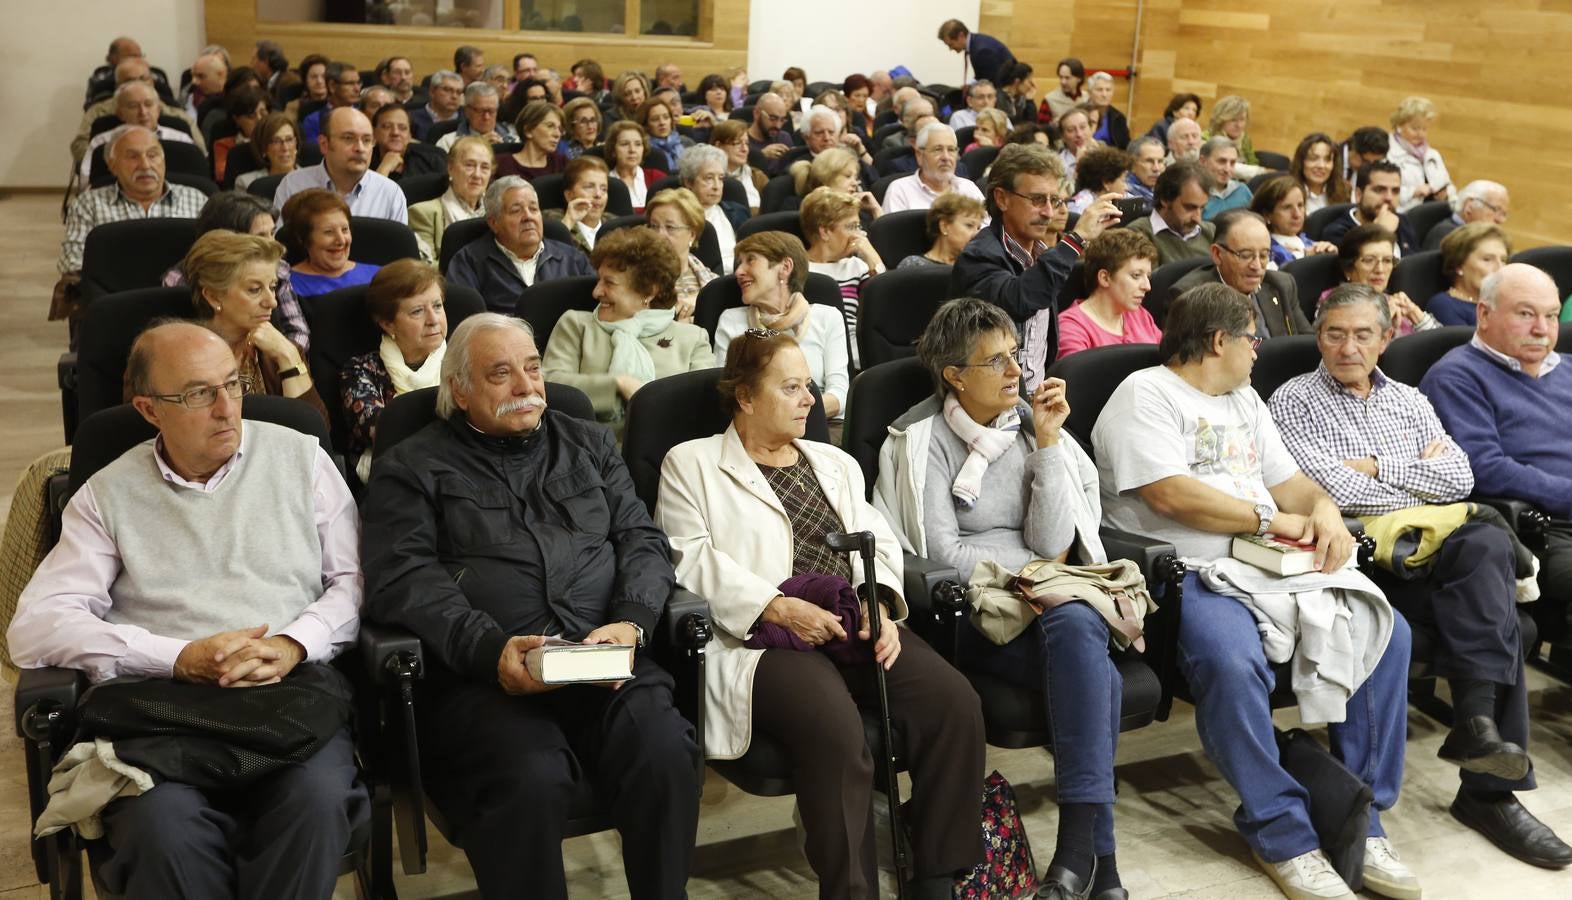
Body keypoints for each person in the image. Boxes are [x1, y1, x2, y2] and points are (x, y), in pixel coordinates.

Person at [8, 319, 365, 899]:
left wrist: (294, 642)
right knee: (161, 831)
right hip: (162, 711)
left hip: (290, 697)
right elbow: (36, 626)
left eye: (234, 384)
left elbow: (353, 583)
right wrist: (176, 657)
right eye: (200, 394)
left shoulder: (302, 459)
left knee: (315, 807)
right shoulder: (108, 494)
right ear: (150, 410)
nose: (227, 409)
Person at [362, 313, 702, 899]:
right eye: (501, 373)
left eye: (533, 367)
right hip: (486, 682)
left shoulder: (590, 442)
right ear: (459, 390)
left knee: (666, 751)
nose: (526, 386)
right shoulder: (412, 466)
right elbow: (405, 579)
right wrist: (490, 651)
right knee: (532, 778)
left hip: (603, 661)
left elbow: (642, 541)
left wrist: (632, 621)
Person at [1092, 283, 1414, 900]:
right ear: (1219, 340)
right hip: (1193, 571)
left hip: (1278, 562)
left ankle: (1361, 815)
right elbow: (1170, 494)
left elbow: (1290, 482)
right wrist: (1269, 520)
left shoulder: (1244, 398)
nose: (1258, 350)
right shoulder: (1146, 395)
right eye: (1250, 338)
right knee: (1230, 660)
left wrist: (1321, 510)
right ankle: (1281, 829)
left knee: (1388, 631)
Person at [656, 328, 985, 900]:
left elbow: (878, 541)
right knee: (837, 732)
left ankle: (935, 879)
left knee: (955, 704)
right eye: (791, 387)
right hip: (763, 637)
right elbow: (688, 561)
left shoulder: (834, 462)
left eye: (808, 386)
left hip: (848, 620)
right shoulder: (693, 464)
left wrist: (878, 600)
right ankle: (852, 891)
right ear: (745, 396)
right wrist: (777, 605)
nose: (811, 399)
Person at [1268, 282, 1572, 874]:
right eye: (1334, 333)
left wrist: (1378, 467)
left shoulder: (1408, 398)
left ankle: (1482, 746)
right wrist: (1412, 474)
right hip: (1356, 554)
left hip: (1431, 548)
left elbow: (1459, 476)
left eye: (1362, 334)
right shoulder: (1292, 400)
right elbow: (1330, 489)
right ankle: (1487, 786)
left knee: (1483, 541)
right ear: (1318, 337)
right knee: (1492, 598)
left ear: (1387, 338)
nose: (1348, 347)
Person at [875, 296, 1138, 898]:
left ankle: (1079, 858)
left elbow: (1055, 538)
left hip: (1054, 609)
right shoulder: (921, 443)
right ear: (955, 375)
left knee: (1075, 631)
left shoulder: (1029, 427)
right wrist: (1036, 573)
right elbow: (941, 553)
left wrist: (1047, 444)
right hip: (980, 616)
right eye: (995, 361)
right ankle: (1100, 865)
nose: (1015, 371)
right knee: (1098, 673)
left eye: (1015, 355)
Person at [1421, 265, 1572, 699]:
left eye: (1552, 315)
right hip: (1540, 529)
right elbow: (1485, 468)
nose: (1542, 329)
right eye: (1526, 314)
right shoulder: (1457, 377)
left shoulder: (1567, 371)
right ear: (1484, 314)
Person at [951, 143, 1119, 390]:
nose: (1049, 212)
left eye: (1055, 200)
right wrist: (1076, 240)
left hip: (1033, 399)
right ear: (1002, 198)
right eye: (1038, 199)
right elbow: (1019, 301)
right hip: (984, 402)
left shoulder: (1043, 256)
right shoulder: (978, 257)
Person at [542, 228, 711, 434]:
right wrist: (617, 384)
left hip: (665, 453)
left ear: (648, 291)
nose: (596, 292)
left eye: (609, 283)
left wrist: (649, 402)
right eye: (599, 280)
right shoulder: (576, 325)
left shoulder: (692, 338)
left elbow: (703, 404)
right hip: (586, 448)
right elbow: (550, 385)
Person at [182, 231, 329, 421]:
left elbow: (317, 433)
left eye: (273, 287)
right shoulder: (177, 357)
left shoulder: (279, 349)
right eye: (254, 290)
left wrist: (289, 357)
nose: (272, 302)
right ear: (213, 296)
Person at [714, 232, 849, 420]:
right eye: (739, 263)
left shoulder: (827, 317)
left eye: (750, 260)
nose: (738, 272)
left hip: (821, 426)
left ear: (785, 267)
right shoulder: (731, 320)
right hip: (756, 433)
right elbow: (727, 395)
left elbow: (840, 395)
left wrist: (791, 414)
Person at [339, 259, 447, 481]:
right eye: (417, 311)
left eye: (437, 306)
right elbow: (385, 433)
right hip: (393, 480)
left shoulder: (466, 360)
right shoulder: (361, 371)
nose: (434, 320)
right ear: (388, 324)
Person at [161, 191, 309, 352]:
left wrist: (283, 358)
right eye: (260, 236)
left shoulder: (277, 267)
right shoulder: (178, 280)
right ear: (226, 240)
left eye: (272, 233)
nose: (271, 243)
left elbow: (298, 332)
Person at [57, 126, 206, 278]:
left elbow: (217, 257)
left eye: (153, 155)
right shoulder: (88, 205)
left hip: (182, 296)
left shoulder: (197, 200)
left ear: (164, 161)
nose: (145, 165)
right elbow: (72, 262)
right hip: (113, 296)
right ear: (112, 166)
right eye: (133, 157)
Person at [446, 177, 593, 312]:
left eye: (534, 209)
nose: (528, 217)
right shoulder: (468, 262)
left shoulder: (573, 259)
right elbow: (465, 323)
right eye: (516, 211)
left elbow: (594, 309)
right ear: (494, 223)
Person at [1173, 209, 1312, 338]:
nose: (1257, 266)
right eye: (1245, 255)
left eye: (1264, 255)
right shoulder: (1190, 298)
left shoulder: (1281, 285)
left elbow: (1307, 344)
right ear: (1217, 254)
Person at [273, 107, 408, 224]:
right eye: (348, 138)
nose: (360, 148)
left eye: (367, 140)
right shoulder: (293, 185)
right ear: (324, 144)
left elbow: (398, 252)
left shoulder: (390, 193)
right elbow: (281, 248)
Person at [802, 187, 885, 362]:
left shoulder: (857, 267)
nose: (859, 234)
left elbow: (886, 309)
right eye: (851, 226)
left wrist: (873, 259)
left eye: (858, 226)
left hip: (856, 360)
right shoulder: (799, 269)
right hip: (812, 358)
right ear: (824, 231)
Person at [73, 57, 203, 169]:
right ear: (117, 85)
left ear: (152, 82)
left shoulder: (178, 116)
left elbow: (200, 154)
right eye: (129, 80)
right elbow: (80, 147)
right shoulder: (98, 112)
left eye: (143, 79)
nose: (137, 83)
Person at [1058, 229, 1163, 357]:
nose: (1147, 286)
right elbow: (1078, 376)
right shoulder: (1071, 327)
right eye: (1136, 275)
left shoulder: (1140, 315)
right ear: (1105, 278)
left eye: (1148, 276)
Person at [78, 81, 199, 184]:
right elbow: (86, 182)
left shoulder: (182, 139)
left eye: (148, 104)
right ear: (120, 113)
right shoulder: (102, 142)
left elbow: (199, 180)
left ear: (158, 109)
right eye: (133, 106)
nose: (143, 112)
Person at [1328, 224, 1436, 336]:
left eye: (1387, 260)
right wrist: (1383, 319)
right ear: (1348, 269)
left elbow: (1445, 346)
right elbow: (1355, 349)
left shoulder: (1391, 302)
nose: (1380, 270)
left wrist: (1415, 314)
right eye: (1369, 260)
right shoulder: (1331, 306)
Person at [280, 189, 380, 301]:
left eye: (345, 230)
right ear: (302, 239)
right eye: (329, 232)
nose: (341, 240)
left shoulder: (379, 277)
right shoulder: (286, 286)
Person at [408, 136, 493, 263]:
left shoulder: (498, 214)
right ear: (450, 168)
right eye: (469, 165)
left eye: (485, 167)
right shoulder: (423, 213)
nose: (477, 174)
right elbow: (425, 270)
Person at [645, 187, 717, 320]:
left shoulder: (711, 281)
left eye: (670, 227)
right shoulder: (636, 277)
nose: (660, 235)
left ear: (692, 235)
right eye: (654, 226)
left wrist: (701, 300)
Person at [883, 122, 986, 213]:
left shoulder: (968, 188)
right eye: (938, 150)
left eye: (951, 150)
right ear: (919, 155)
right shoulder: (899, 190)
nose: (946, 157)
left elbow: (986, 229)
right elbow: (894, 235)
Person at [1127, 160, 1214, 267]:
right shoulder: (1136, 235)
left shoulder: (1210, 232)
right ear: (1166, 200)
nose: (1197, 219)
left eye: (1202, 208)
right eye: (1189, 208)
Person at [1319, 161, 1417, 255]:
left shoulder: (1402, 220)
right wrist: (1380, 232)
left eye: (1395, 191)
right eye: (1379, 190)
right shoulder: (1337, 233)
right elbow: (1360, 268)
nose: (1389, 198)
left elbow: (1415, 265)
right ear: (1358, 195)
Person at [1428, 222, 1512, 327]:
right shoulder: (1444, 305)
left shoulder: (1503, 302)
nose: (1500, 268)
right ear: (1458, 265)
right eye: (1487, 259)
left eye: (1503, 260)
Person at [680, 144, 747, 272]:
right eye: (709, 178)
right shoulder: (679, 220)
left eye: (721, 178)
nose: (717, 186)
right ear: (688, 182)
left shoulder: (738, 212)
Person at [1251, 175, 1336, 266]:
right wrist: (1306, 259)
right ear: (1267, 214)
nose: (1297, 214)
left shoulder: (1310, 244)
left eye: (1300, 205)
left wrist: (1333, 255)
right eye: (1287, 208)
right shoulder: (1264, 253)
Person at [1387, 96, 1452, 212]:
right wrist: (1413, 192)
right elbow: (1381, 192)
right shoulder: (1387, 153)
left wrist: (1445, 195)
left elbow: (1449, 186)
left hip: (1433, 213)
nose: (1421, 134)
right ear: (1399, 126)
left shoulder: (1433, 154)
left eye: (1424, 129)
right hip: (1403, 214)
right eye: (1415, 128)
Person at [897, 192, 986, 269]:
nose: (976, 234)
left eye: (978, 228)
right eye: (969, 225)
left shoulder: (977, 266)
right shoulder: (914, 265)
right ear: (944, 226)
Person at [547, 155, 612, 255]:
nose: (598, 194)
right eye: (589, 187)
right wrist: (569, 221)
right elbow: (548, 259)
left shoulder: (616, 225)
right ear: (569, 195)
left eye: (604, 189)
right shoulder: (551, 222)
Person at [370, 104, 446, 182]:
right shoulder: (363, 161)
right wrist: (384, 168)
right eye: (387, 126)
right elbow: (368, 194)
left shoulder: (433, 159)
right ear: (374, 132)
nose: (395, 133)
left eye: (402, 128)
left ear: (409, 135)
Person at [496, 100, 569, 181]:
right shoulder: (501, 164)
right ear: (528, 131)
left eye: (560, 129)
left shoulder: (562, 164)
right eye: (550, 126)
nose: (557, 134)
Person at [1426, 180, 1510, 250]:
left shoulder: (1487, 238)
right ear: (1469, 206)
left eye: (1504, 214)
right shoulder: (1446, 235)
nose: (1500, 220)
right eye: (1496, 210)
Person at [434, 82, 517, 151]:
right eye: (481, 111)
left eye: (491, 111)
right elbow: (445, 169)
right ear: (467, 110)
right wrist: (477, 146)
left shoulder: (514, 141)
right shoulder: (448, 142)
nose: (486, 117)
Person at [605, 121, 665, 213]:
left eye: (638, 144)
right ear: (613, 150)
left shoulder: (657, 178)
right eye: (624, 144)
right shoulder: (605, 184)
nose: (632, 150)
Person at [938, 18, 1016, 88]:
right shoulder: (976, 42)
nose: (950, 49)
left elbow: (989, 83)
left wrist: (972, 88)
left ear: (961, 35)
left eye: (951, 44)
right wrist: (971, 86)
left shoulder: (981, 51)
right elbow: (983, 75)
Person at [709, 119, 767, 214]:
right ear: (718, 146)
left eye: (747, 143)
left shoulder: (758, 176)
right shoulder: (708, 180)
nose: (744, 149)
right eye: (737, 143)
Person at [297, 61, 360, 146]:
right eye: (350, 83)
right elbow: (316, 154)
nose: (357, 89)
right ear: (332, 86)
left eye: (358, 83)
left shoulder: (364, 114)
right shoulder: (313, 121)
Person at [233, 112, 298, 190]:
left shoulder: (313, 177)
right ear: (263, 148)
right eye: (276, 141)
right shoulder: (246, 183)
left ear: (296, 143)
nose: (285, 148)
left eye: (289, 139)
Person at [1290, 132, 1350, 216]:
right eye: (1313, 159)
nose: (1321, 166)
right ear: (1301, 162)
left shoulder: (1345, 191)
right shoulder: (1287, 192)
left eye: (1327, 160)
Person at [1203, 95, 1262, 178]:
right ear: (1221, 120)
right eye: (1233, 120)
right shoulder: (1206, 138)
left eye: (1242, 119)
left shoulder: (1244, 139)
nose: (1239, 125)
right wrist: (1261, 171)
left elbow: (1253, 163)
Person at [1068, 146, 1132, 215]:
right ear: (1106, 183)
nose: (1127, 187)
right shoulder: (1080, 207)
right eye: (1123, 181)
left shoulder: (1125, 197)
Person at [1200, 136, 1252, 220]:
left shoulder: (1243, 191)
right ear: (1203, 161)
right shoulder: (1193, 192)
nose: (1227, 169)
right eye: (1221, 161)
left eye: (1232, 163)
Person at [408, 70, 463, 141]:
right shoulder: (411, 119)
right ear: (432, 91)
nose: (454, 96)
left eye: (458, 92)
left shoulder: (467, 119)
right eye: (447, 90)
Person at [637, 97, 690, 171]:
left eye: (666, 117)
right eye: (655, 119)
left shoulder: (684, 143)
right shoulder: (645, 152)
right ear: (645, 125)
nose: (662, 123)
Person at [1084, 72, 1129, 150]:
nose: (1104, 94)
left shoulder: (1119, 118)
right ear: (1089, 92)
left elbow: (1125, 147)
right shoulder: (1079, 113)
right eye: (1099, 90)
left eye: (1108, 90)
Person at [1055, 106, 1097, 180]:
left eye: (1083, 127)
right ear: (1063, 137)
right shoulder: (1057, 165)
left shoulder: (1105, 156)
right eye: (1071, 130)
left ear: (1091, 129)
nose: (1079, 134)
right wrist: (1079, 164)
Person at [1043, 57, 1088, 122]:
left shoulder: (1087, 98)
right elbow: (1041, 128)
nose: (1063, 82)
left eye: (1067, 78)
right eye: (1061, 77)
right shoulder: (1049, 99)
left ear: (1079, 78)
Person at [557, 96, 601, 160]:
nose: (590, 126)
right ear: (571, 126)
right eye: (583, 121)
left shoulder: (603, 149)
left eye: (593, 120)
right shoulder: (565, 153)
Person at [1124, 135, 1165, 203]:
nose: (1156, 168)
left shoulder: (1166, 190)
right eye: (1149, 161)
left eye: (1160, 161)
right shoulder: (1123, 194)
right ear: (1132, 164)